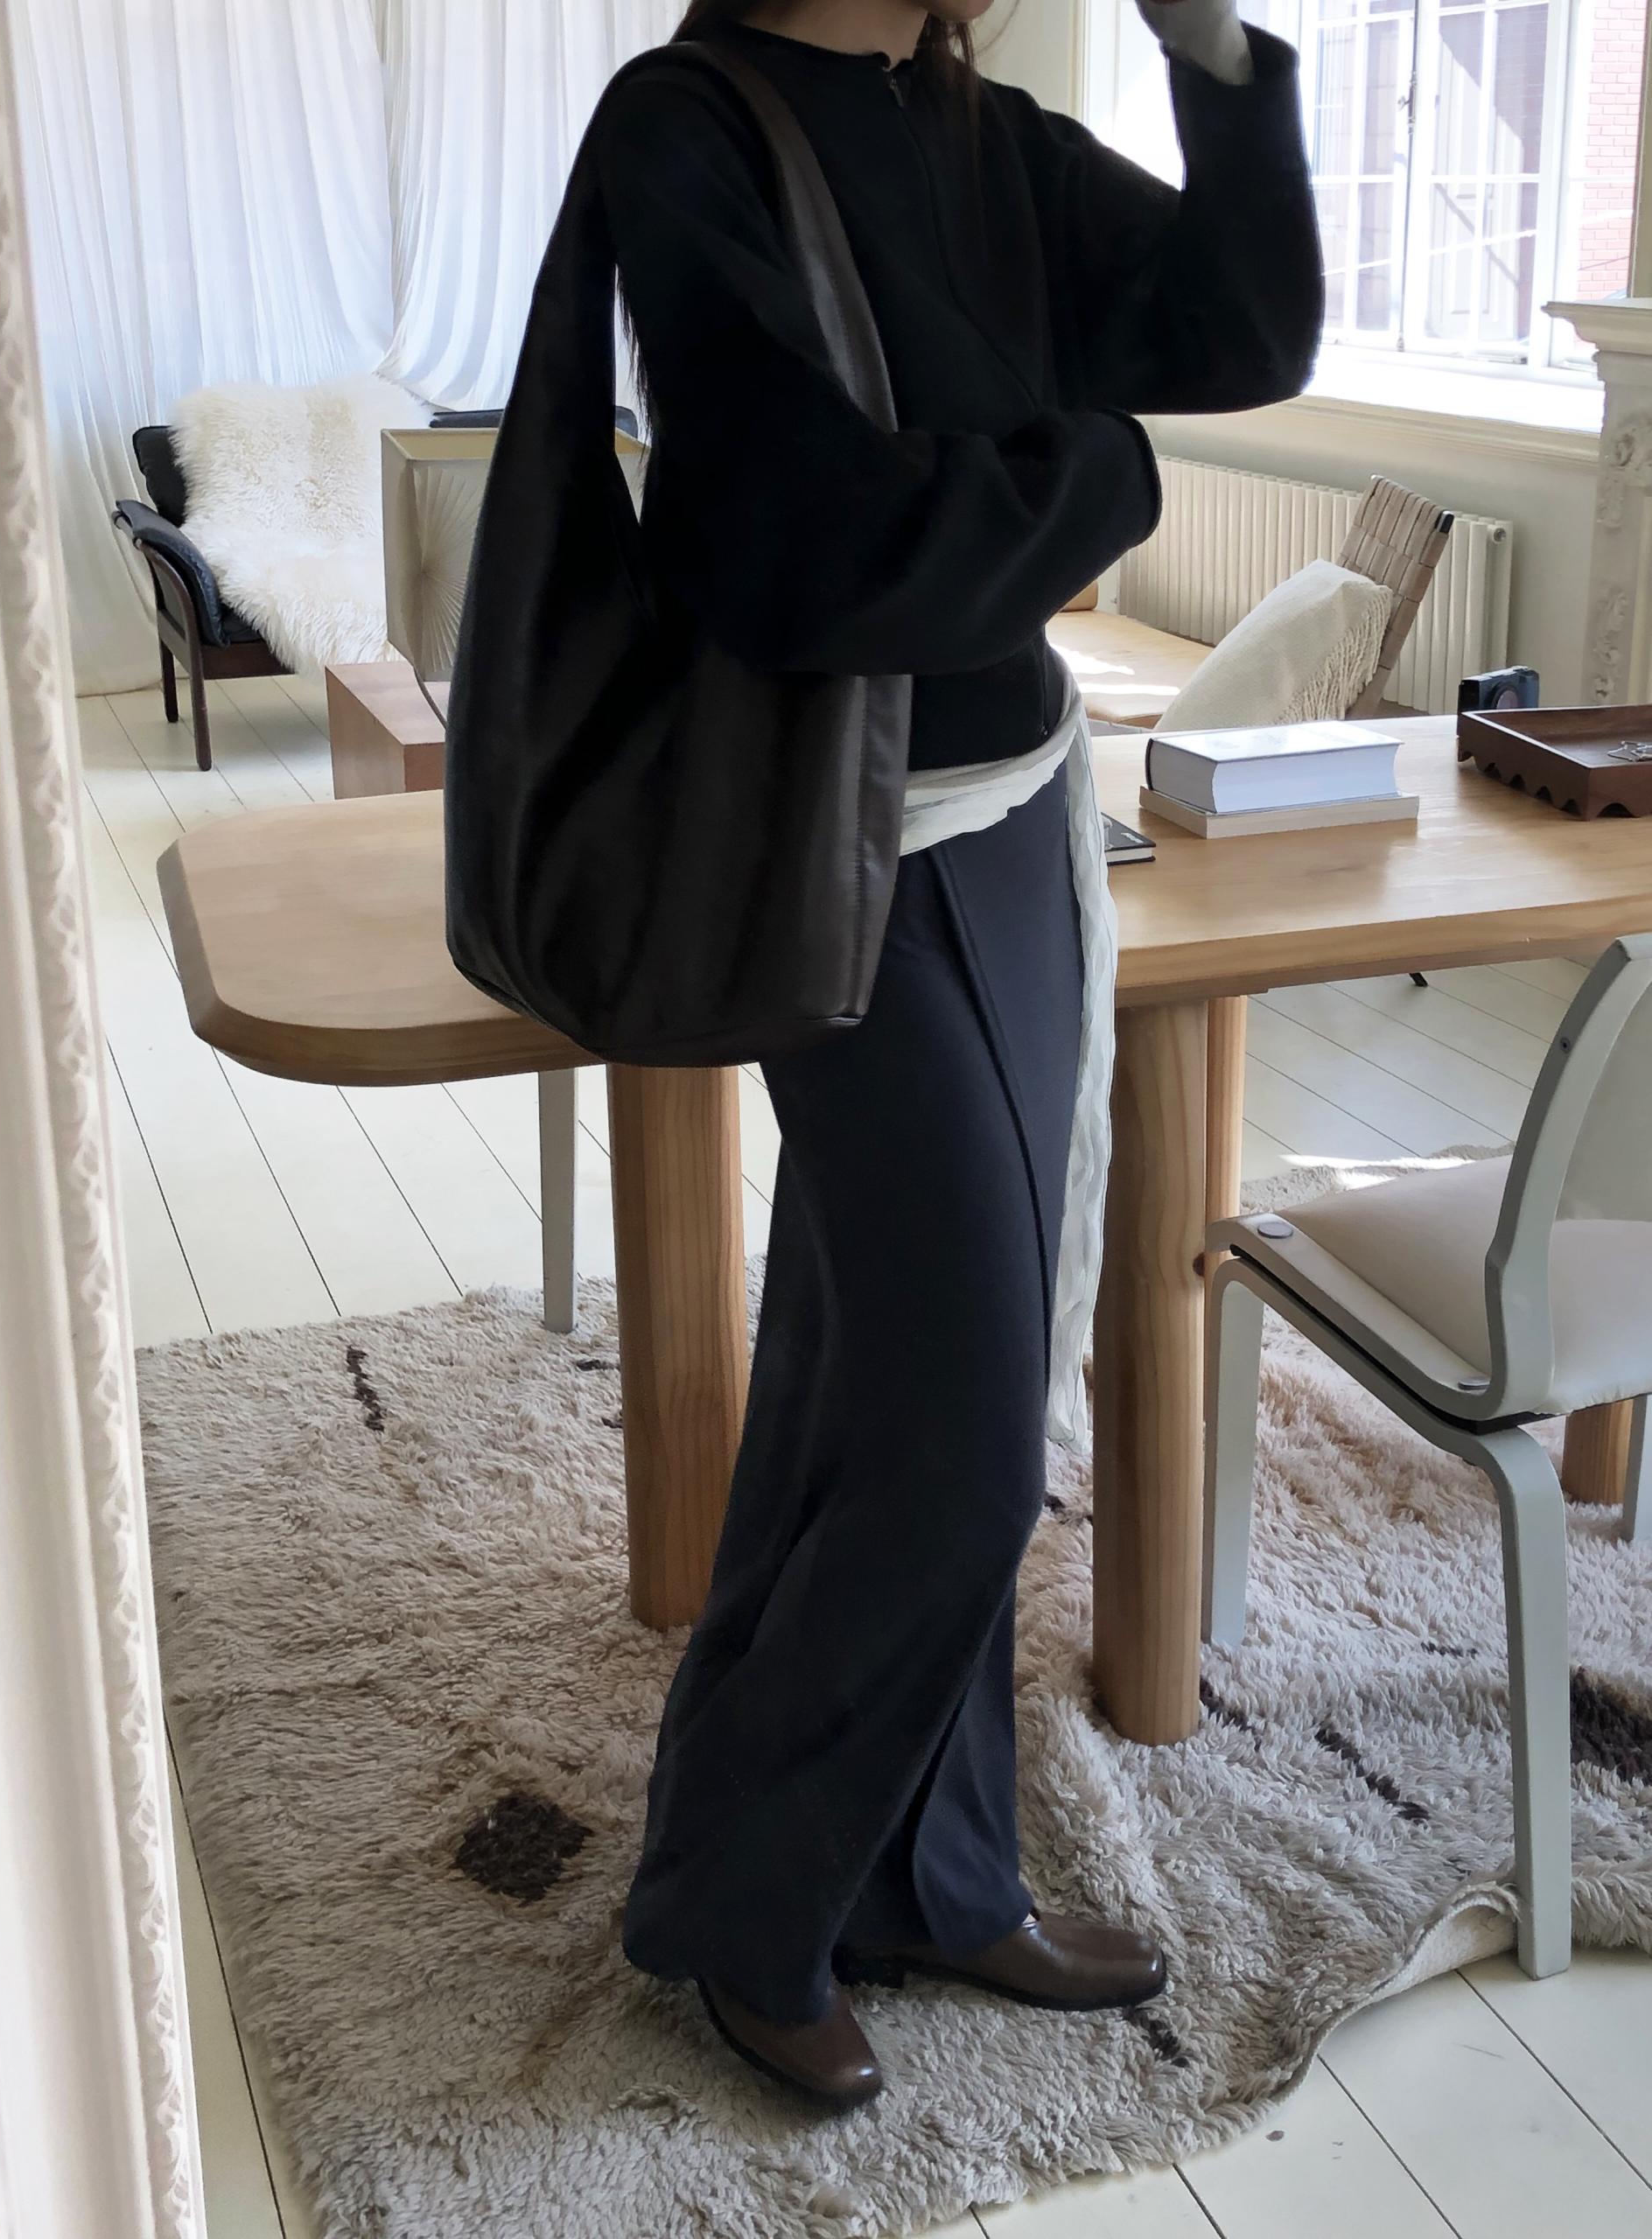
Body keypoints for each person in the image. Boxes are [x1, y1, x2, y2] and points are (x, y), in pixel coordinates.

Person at [585, 0, 1323, 2107]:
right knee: (968, 1433)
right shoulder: (691, 125)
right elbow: (801, 548)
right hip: (839, 853)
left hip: (1016, 818)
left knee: (863, 1386)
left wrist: (1217, 54)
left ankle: (937, 1868)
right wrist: (1098, 476)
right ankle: (743, 1901)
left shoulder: (975, 130)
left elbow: (1241, 326)